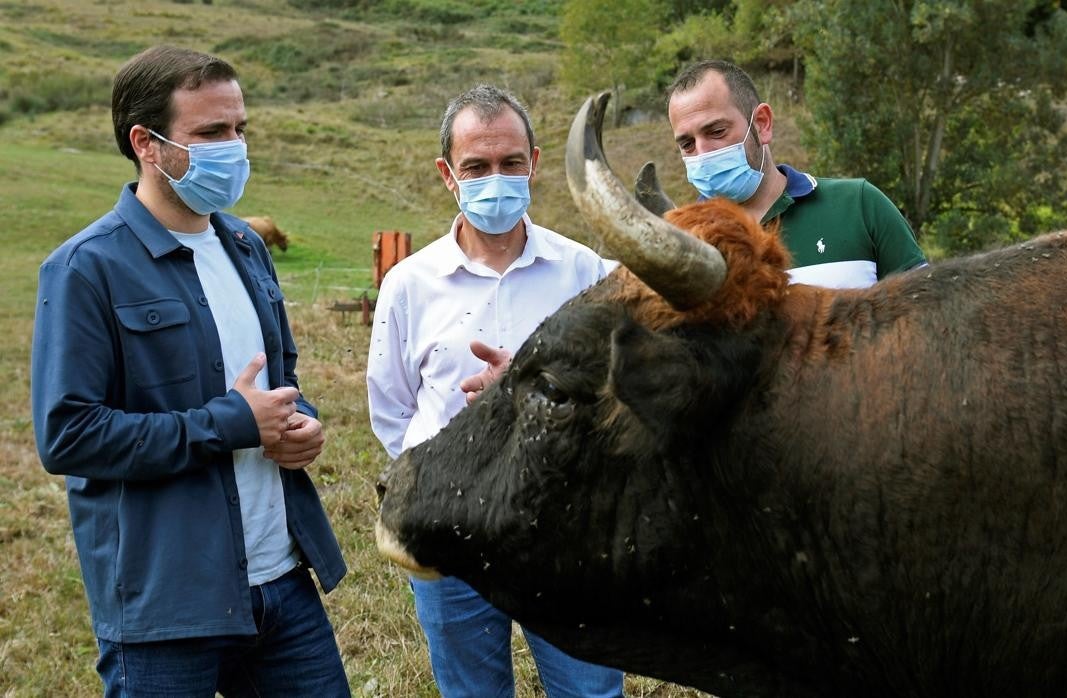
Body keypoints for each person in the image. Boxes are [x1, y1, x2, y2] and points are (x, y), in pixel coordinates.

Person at [30, 45, 349, 696]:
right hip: (165, 604)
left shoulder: (246, 245)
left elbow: (277, 382)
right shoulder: (86, 268)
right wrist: (232, 423)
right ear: (145, 143)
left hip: (282, 583)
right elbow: (67, 435)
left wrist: (299, 424)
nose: (234, 148)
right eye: (210, 133)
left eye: (239, 129)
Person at [365, 85, 625, 698]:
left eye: (510, 163)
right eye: (476, 167)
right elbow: (392, 409)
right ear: (447, 175)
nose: (495, 180)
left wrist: (528, 392)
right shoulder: (409, 284)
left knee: (589, 692)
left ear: (534, 163)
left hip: (564, 525)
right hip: (450, 529)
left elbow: (617, 398)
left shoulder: (584, 271)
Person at [666, 59, 927, 288]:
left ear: (762, 124)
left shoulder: (858, 206)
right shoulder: (681, 242)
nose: (702, 153)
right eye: (687, 144)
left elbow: (928, 313)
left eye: (716, 132)